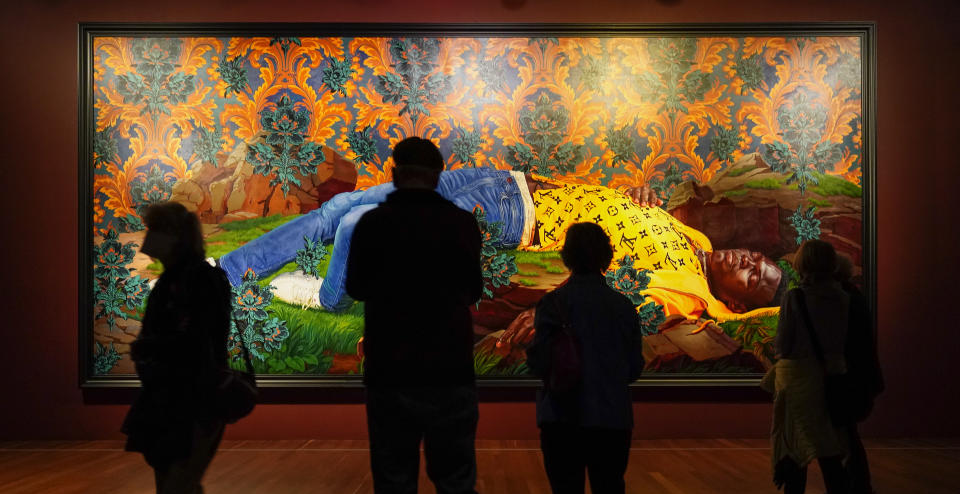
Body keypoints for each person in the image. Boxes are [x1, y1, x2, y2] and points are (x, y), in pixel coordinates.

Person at [217, 169, 786, 328]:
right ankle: (228, 272)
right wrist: (639, 199)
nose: (749, 263)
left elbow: (678, 311)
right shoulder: (695, 240)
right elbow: (633, 209)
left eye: (755, 278)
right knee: (339, 210)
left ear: (737, 303)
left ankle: (332, 297)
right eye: (759, 261)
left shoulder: (688, 289)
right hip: (502, 180)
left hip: (512, 219)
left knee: (362, 222)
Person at [345, 138, 506, 494]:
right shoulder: (460, 226)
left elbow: (355, 288)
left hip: (391, 377)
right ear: (438, 175)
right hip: (450, 375)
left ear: (394, 173)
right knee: (460, 492)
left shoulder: (374, 224)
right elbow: (473, 291)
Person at [122, 201, 235, 494]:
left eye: (153, 230)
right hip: (169, 401)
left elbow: (194, 344)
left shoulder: (199, 282)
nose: (147, 238)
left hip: (193, 401)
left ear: (171, 235)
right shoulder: (177, 282)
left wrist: (151, 349)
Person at [525, 222, 645, 494]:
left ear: (567, 257)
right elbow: (633, 369)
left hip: (562, 417)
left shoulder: (552, 305)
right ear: (607, 259)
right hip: (612, 419)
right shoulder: (623, 307)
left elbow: (539, 363)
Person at [762, 239, 857, 494]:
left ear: (802, 265)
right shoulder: (843, 298)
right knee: (830, 451)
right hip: (832, 378)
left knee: (793, 451)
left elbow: (784, 345)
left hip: (799, 380)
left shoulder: (795, 298)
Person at [832, 255, 884, 494]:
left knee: (847, 437)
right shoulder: (852, 296)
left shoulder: (843, 300)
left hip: (850, 378)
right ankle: (851, 489)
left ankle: (860, 491)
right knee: (846, 435)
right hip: (858, 377)